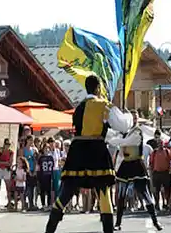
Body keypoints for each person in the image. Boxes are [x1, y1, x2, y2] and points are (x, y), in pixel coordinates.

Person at [45, 75, 132, 233]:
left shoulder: (79, 107)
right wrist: (130, 117)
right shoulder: (103, 105)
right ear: (98, 88)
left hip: (77, 149)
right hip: (96, 150)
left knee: (67, 191)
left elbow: (94, 130)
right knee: (103, 191)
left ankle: (49, 229)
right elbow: (123, 125)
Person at [108, 110, 162, 231]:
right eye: (133, 118)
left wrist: (113, 140)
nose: (135, 120)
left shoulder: (137, 132)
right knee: (121, 195)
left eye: (136, 117)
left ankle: (155, 221)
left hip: (137, 164)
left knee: (145, 194)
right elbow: (121, 151)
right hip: (126, 165)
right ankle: (118, 223)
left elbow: (124, 143)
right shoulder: (124, 132)